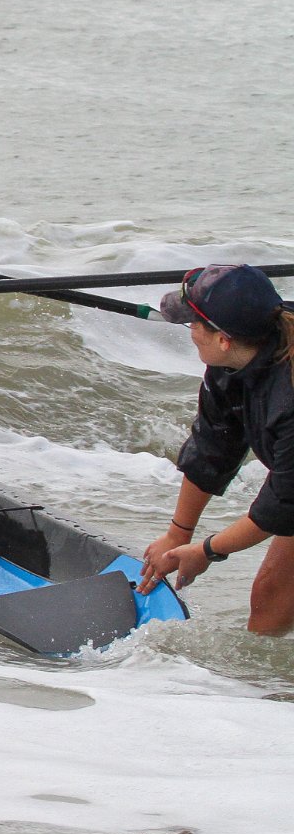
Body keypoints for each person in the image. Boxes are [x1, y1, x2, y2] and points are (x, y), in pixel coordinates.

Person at [136, 264, 294, 636]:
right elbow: (212, 449)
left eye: (194, 323)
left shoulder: (289, 402)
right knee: (269, 600)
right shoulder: (232, 362)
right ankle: (252, 693)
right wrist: (179, 534)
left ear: (223, 338)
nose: (189, 331)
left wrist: (207, 551)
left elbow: (281, 508)